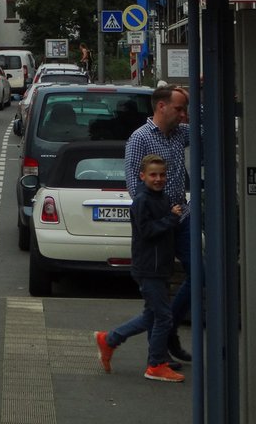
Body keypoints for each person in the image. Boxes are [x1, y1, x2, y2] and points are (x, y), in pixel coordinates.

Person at [96, 154, 185, 382]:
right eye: (153, 175)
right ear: (142, 176)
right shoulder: (143, 200)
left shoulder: (160, 197)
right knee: (164, 317)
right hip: (149, 268)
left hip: (159, 266)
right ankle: (155, 364)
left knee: (151, 316)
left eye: (162, 175)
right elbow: (146, 232)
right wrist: (171, 219)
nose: (158, 179)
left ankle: (110, 340)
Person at [124, 83, 192, 363]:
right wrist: (161, 215)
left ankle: (169, 328)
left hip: (182, 217)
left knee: (200, 273)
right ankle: (159, 351)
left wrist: (196, 93)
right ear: (161, 107)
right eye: (179, 108)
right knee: (157, 295)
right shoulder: (140, 138)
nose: (184, 114)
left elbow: (207, 129)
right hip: (161, 222)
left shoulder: (180, 133)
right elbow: (133, 182)